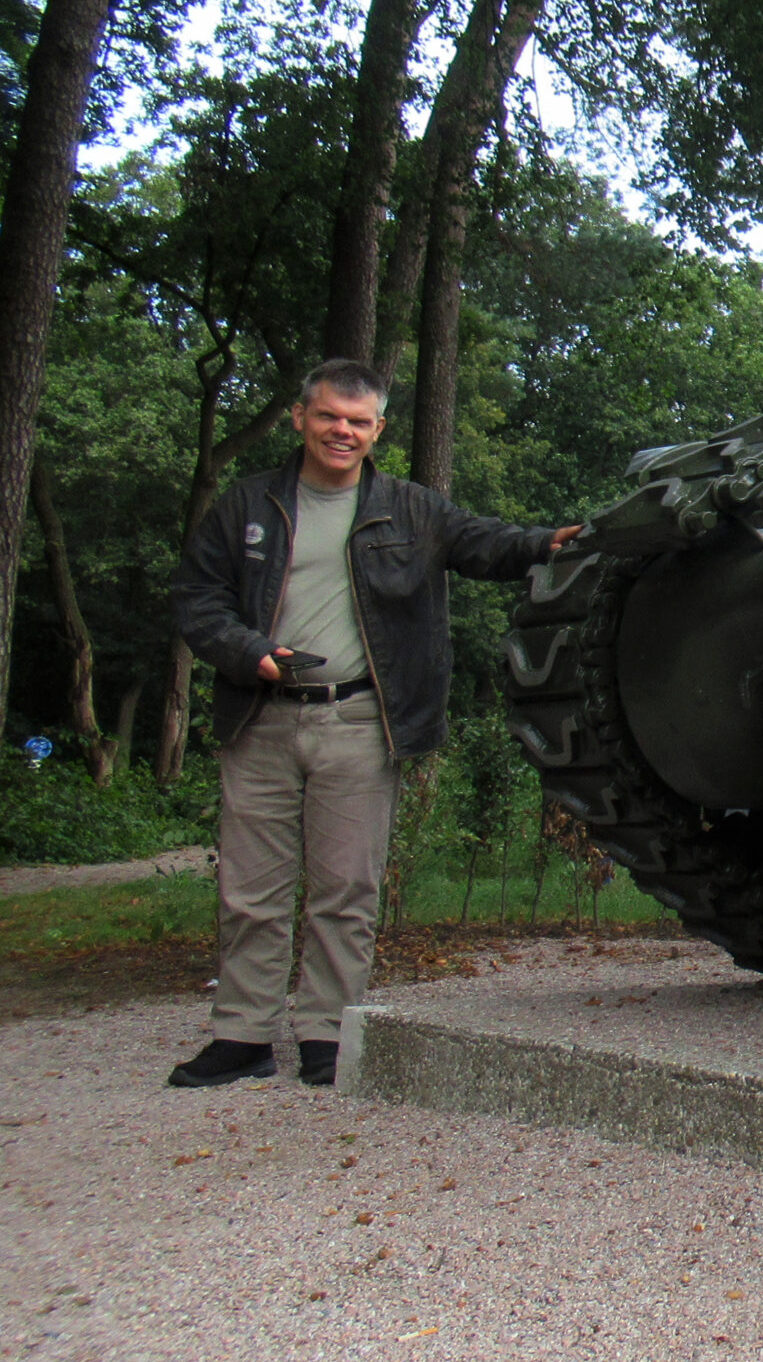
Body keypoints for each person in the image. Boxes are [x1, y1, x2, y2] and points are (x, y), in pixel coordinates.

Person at [164, 359, 581, 1088]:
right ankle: (242, 1035)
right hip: (260, 715)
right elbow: (197, 598)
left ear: (378, 429)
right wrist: (249, 652)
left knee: (345, 886)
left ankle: (329, 1032)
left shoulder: (410, 509)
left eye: (358, 422)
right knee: (250, 889)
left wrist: (551, 542)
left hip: (361, 717)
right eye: (329, 416)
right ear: (301, 417)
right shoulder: (247, 505)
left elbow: (487, 542)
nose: (342, 432)